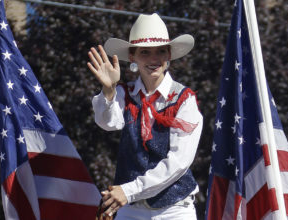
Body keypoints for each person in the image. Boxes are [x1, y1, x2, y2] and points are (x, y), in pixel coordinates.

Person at [87, 13, 203, 220]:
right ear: (132, 57)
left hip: (174, 210)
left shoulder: (184, 99)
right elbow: (107, 123)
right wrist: (108, 90)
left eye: (160, 51)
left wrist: (129, 190)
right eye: (145, 52)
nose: (154, 59)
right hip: (131, 210)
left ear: (169, 55)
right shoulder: (125, 93)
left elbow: (178, 162)